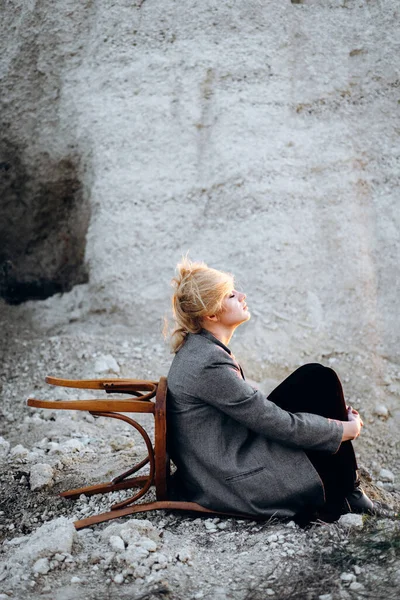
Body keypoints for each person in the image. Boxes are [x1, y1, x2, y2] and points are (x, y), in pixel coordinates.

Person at [166, 258, 374, 521]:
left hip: (222, 458)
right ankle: (346, 494)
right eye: (231, 295)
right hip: (232, 479)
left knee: (313, 378)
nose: (242, 296)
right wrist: (344, 430)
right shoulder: (209, 362)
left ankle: (348, 490)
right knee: (319, 380)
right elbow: (277, 423)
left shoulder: (200, 349)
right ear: (211, 314)